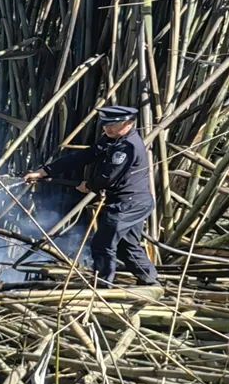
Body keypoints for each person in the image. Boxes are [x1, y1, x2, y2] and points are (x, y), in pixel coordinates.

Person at [23, 106, 158, 287]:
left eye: (114, 125)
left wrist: (89, 186)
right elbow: (84, 156)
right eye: (105, 125)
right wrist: (45, 171)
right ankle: (150, 281)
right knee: (127, 247)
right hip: (130, 203)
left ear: (129, 123)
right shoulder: (112, 140)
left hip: (129, 204)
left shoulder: (127, 147)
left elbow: (108, 177)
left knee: (102, 244)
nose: (108, 129)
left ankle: (102, 284)